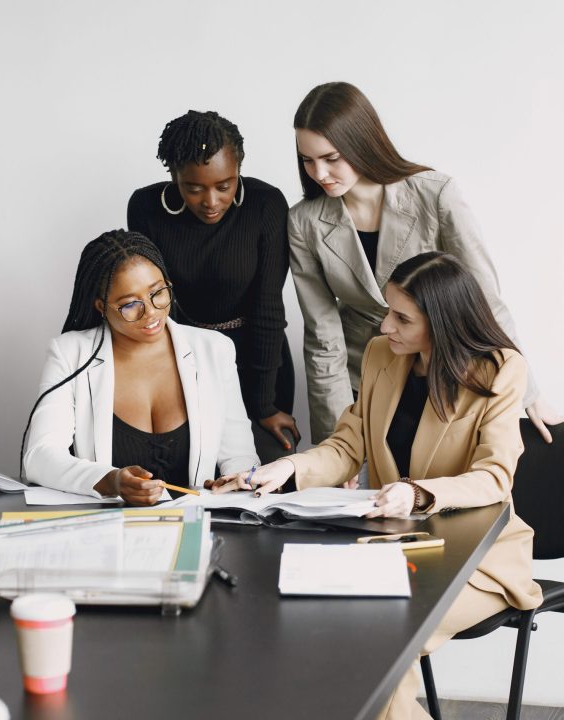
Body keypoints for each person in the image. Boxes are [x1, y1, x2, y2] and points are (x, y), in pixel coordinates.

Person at [209, 252, 543, 719]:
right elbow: (349, 443)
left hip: (479, 561)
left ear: (443, 322)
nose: (386, 326)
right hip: (396, 550)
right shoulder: (383, 355)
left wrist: (418, 492)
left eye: (402, 318)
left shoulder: (500, 369)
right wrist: (287, 470)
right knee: (330, 632)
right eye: (388, 310)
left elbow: (494, 477)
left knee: (380, 643)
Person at [289, 81, 562, 445]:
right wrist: (337, 439)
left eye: (331, 158)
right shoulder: (303, 221)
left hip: (444, 371)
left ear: (361, 142)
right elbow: (323, 338)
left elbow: (483, 299)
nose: (319, 173)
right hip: (363, 379)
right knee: (365, 492)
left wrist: (527, 392)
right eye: (308, 160)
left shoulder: (435, 194)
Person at [22, 230, 258, 505]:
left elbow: (239, 455)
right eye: (130, 305)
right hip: (110, 529)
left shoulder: (214, 349)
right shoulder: (70, 353)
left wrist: (236, 479)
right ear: (101, 307)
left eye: (158, 292)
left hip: (198, 522)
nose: (151, 313)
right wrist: (111, 481)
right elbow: (39, 456)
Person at [127, 110, 300, 464]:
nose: (211, 201)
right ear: (175, 177)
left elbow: (268, 307)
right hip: (182, 358)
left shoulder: (265, 205)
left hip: (258, 358)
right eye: (194, 188)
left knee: (260, 476)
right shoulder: (145, 208)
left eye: (225, 185)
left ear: (239, 171)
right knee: (188, 475)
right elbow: (154, 304)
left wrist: (265, 405)